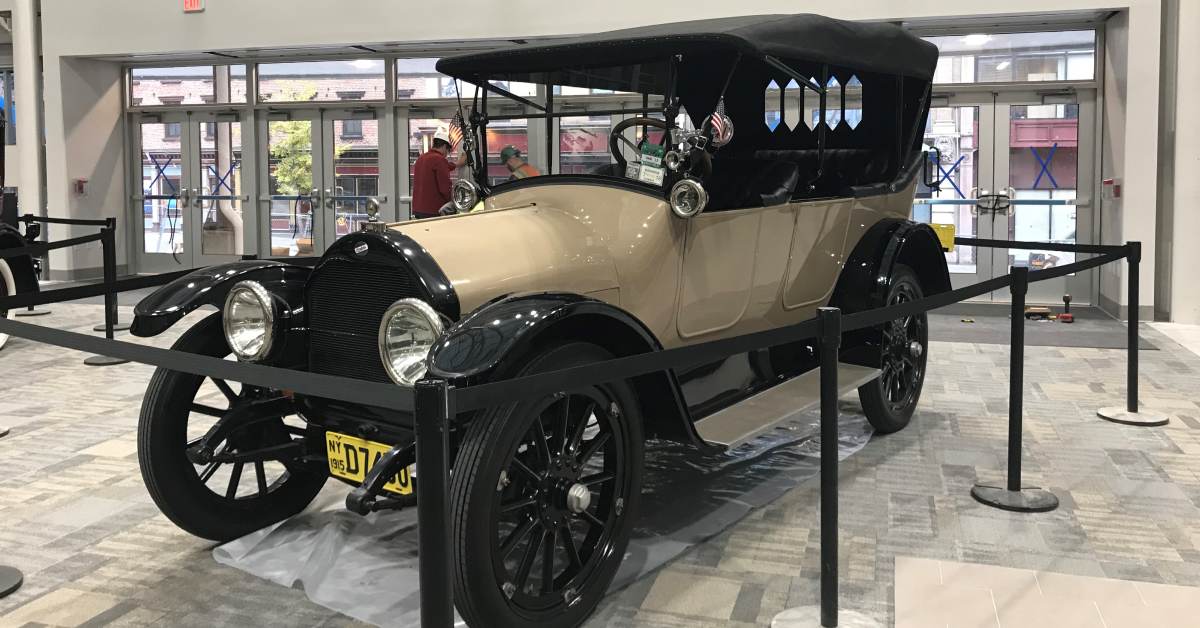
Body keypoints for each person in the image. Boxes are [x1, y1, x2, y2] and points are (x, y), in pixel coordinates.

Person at [412, 128, 468, 219]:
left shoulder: (422, 158)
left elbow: (442, 166)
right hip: (433, 210)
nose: (446, 154)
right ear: (444, 146)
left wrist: (458, 163)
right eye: (448, 151)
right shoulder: (439, 159)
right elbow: (445, 188)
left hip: (418, 209)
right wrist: (455, 201)